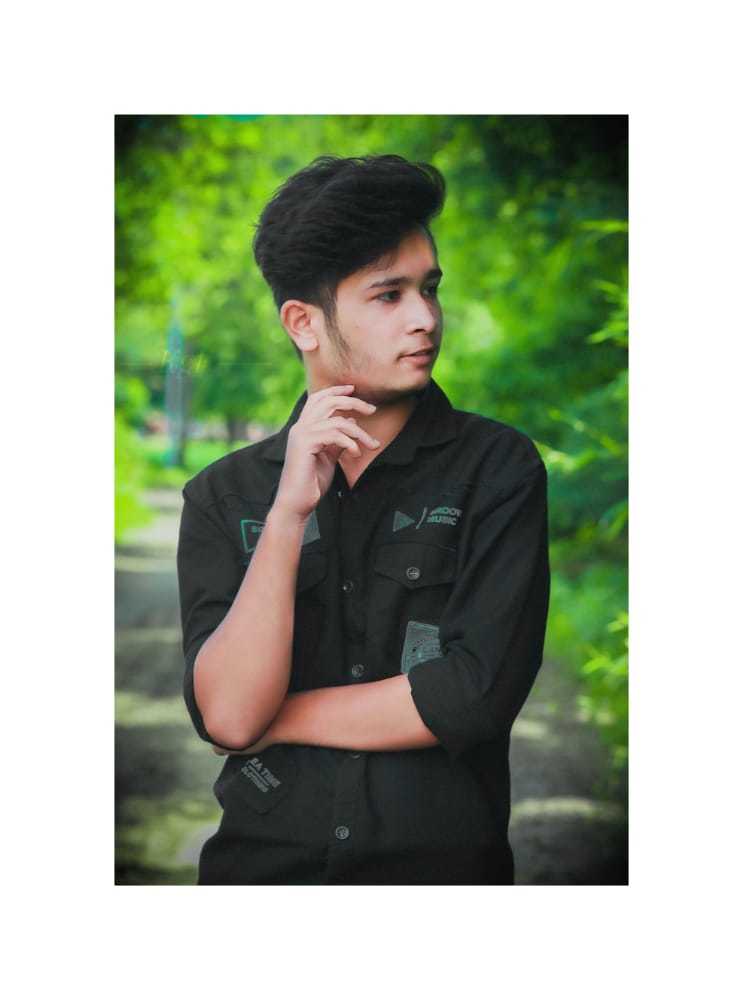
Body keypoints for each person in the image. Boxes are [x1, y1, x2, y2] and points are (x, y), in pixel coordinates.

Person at [176, 154, 550, 885]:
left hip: (441, 879)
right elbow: (227, 715)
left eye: (429, 288)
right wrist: (288, 514)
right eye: (388, 294)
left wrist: (279, 718)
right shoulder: (223, 497)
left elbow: (470, 697)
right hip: (261, 876)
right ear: (303, 323)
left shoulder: (497, 470)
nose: (425, 318)